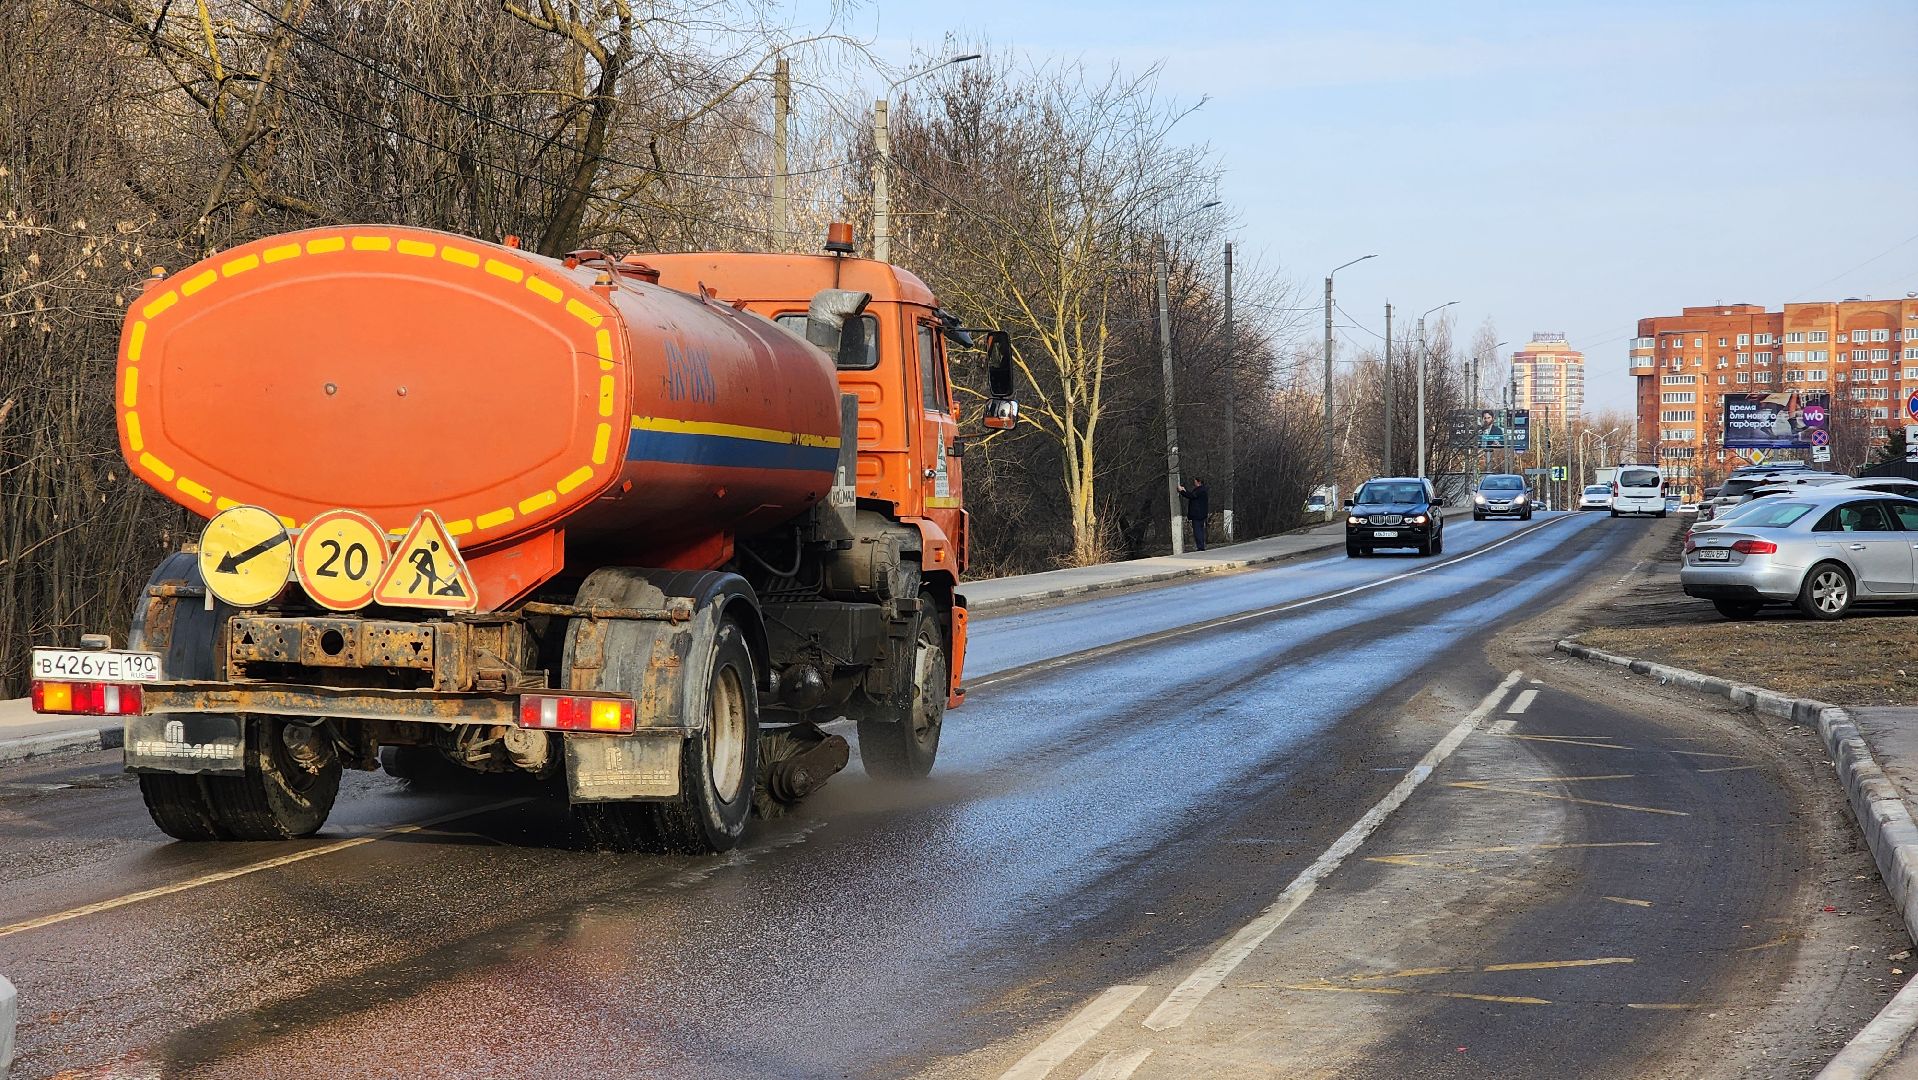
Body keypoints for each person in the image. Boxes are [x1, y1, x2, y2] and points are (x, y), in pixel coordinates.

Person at [1178, 477, 1210, 551]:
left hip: (1197, 514)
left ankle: (1200, 547)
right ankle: (1201, 546)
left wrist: (1182, 491)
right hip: (1202, 514)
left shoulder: (1200, 490)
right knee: (1201, 530)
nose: (1194, 483)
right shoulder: (1203, 490)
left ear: (1199, 482)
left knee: (1197, 531)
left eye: (1195, 481)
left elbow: (1192, 496)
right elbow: (1192, 495)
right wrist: (1185, 491)